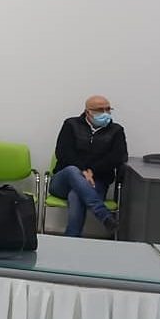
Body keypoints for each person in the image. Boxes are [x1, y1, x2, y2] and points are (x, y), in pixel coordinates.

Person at [50, 95, 127, 236]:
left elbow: (118, 157)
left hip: (97, 182)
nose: (105, 113)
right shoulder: (71, 124)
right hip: (63, 182)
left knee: (76, 194)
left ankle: (71, 239)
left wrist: (92, 170)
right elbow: (63, 152)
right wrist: (84, 171)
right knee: (72, 170)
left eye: (108, 109)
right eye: (100, 110)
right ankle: (103, 214)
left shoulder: (116, 131)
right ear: (88, 112)